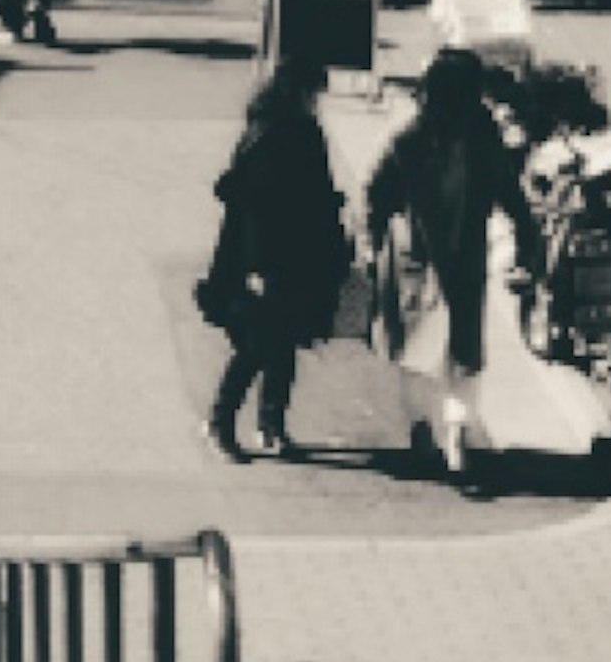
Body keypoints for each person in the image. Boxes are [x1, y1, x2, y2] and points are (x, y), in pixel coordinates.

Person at [365, 47, 533, 492]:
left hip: (427, 261)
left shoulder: (418, 135)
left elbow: (376, 196)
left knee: (429, 353)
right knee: (446, 355)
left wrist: (372, 242)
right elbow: (508, 191)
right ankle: (445, 438)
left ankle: (436, 432)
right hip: (444, 262)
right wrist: (526, 232)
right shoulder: (466, 135)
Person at [198, 64, 354, 461]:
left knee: (282, 343)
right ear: (296, 91)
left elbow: (316, 194)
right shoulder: (274, 137)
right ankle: (221, 421)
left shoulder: (295, 131)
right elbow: (257, 210)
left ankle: (271, 424)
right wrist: (257, 267)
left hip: (296, 256)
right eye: (312, 93)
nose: (316, 102)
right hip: (268, 259)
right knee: (257, 345)